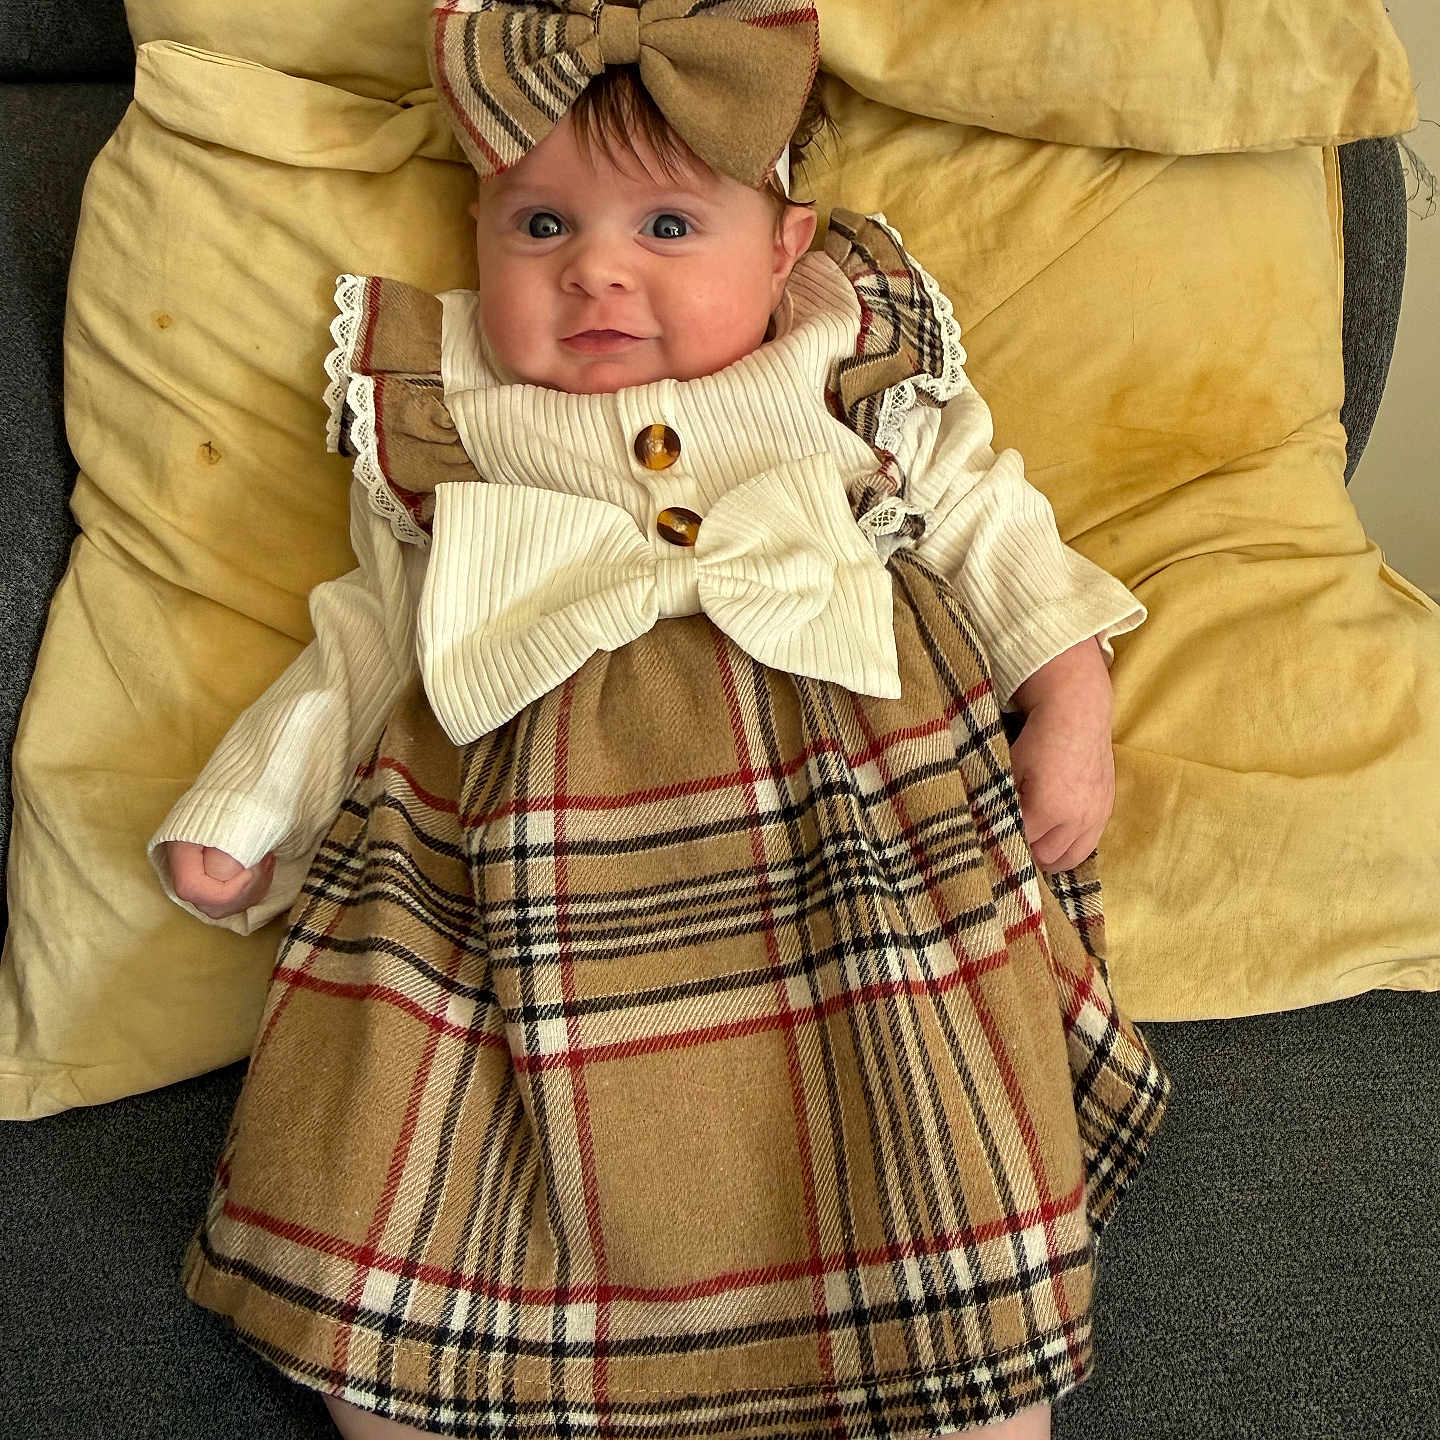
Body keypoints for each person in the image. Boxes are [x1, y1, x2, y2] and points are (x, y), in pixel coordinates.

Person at [149, 3, 1170, 1437]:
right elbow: (369, 636)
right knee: (412, 1127)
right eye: (544, 227)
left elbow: (992, 530)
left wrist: (1071, 697)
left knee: (924, 1119)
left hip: (849, 812)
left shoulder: (846, 362)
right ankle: (430, 1379)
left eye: (670, 229)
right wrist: (250, 804)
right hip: (520, 850)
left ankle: (961, 1371)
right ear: (477, 229)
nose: (599, 276)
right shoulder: (450, 407)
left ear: (786, 248)